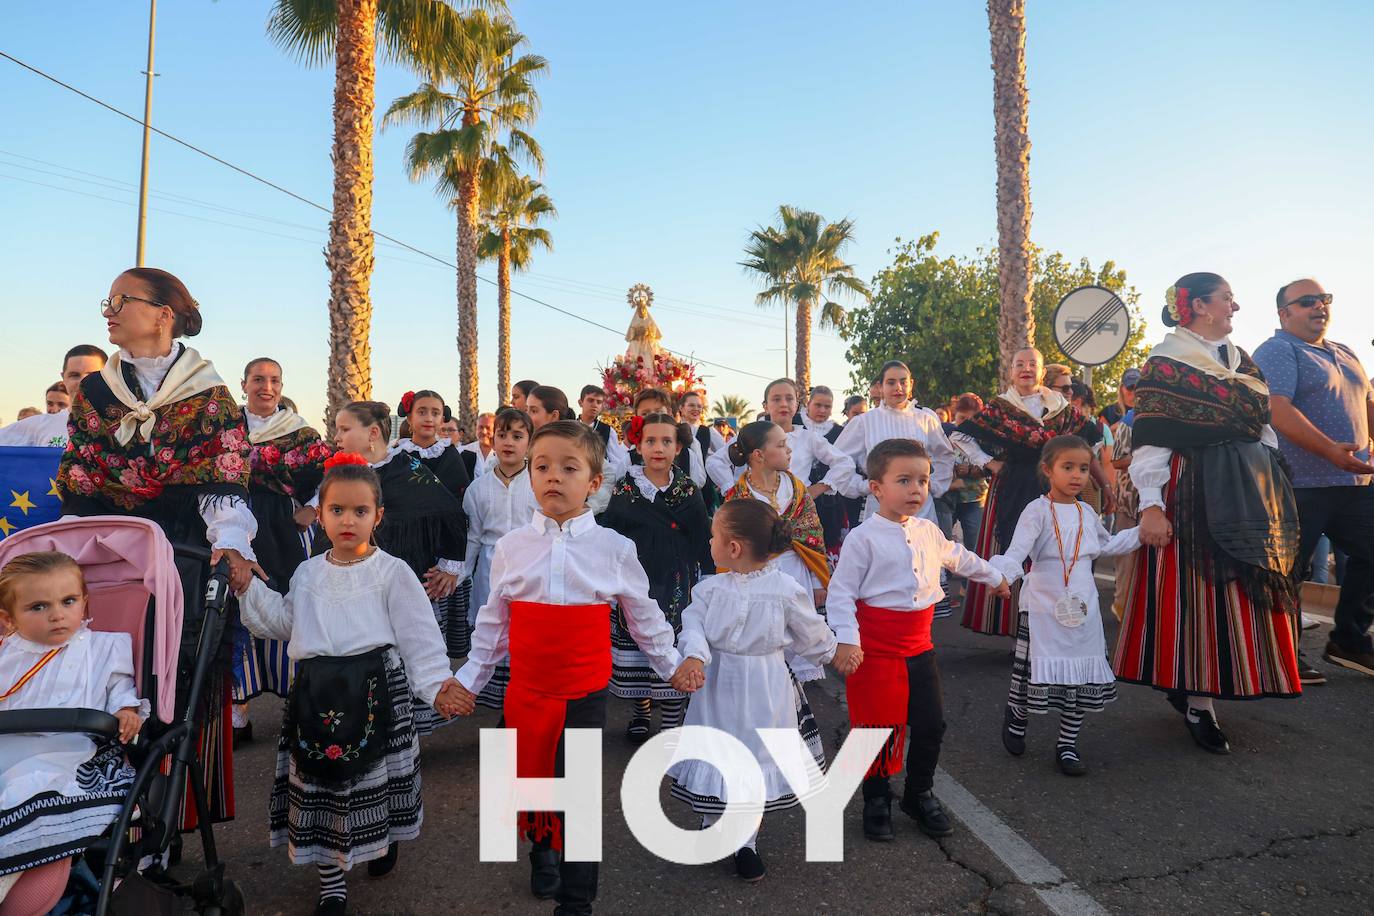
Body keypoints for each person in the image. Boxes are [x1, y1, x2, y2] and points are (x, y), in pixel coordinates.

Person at [451, 421, 688, 915]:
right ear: (531, 477)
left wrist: (672, 664)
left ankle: (577, 901)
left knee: (578, 791)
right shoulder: (513, 548)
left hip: (583, 691)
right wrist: (467, 680)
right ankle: (543, 850)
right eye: (542, 467)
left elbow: (643, 616)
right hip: (528, 687)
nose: (553, 476)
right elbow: (495, 623)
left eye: (568, 467)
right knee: (531, 777)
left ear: (594, 482)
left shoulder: (614, 549)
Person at [57, 267, 258, 828]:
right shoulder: (95, 393)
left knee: (175, 673)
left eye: (121, 300)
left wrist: (234, 545)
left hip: (181, 554)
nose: (108, 311)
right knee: (105, 668)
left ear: (163, 314)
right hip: (110, 554)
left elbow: (224, 480)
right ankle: (90, 811)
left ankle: (166, 818)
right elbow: (78, 482)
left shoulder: (208, 393)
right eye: (109, 300)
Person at [235, 454, 469, 916]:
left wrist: (439, 683)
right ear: (319, 515)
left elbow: (418, 634)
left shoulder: (393, 572)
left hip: (378, 689)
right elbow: (286, 622)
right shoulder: (307, 573)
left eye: (360, 511)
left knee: (372, 785)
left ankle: (381, 842)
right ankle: (332, 884)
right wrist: (248, 589)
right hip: (317, 695)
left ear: (377, 516)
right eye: (337, 510)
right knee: (322, 789)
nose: (348, 520)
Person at [1115, 273, 1303, 755]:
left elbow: (1260, 428)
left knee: (1242, 590)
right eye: (1226, 299)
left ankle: (1211, 683)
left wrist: (1273, 479)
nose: (1235, 306)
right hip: (1193, 488)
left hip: (1249, 489)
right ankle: (1200, 703)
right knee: (1199, 596)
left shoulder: (1242, 363)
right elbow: (1151, 438)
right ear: (1198, 305)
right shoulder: (1166, 363)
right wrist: (1152, 506)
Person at [827, 440, 1008, 842]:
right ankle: (876, 799)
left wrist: (994, 577)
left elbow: (957, 557)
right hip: (874, 651)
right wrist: (847, 640)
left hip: (919, 649)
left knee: (930, 724)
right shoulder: (863, 538)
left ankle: (919, 793)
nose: (916, 489)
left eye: (922, 481)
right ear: (876, 488)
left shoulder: (928, 530)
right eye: (904, 480)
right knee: (875, 728)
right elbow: (841, 594)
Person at [666, 500, 836, 883]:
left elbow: (811, 633)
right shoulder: (709, 589)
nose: (710, 542)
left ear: (734, 548)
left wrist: (832, 650)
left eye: (714, 536)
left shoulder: (785, 590)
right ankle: (713, 825)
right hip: (718, 685)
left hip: (765, 688)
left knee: (754, 759)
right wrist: (693, 656)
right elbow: (692, 624)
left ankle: (746, 842)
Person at [0, 552, 145, 915]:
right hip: (8, 748)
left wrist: (126, 711)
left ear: (84, 602)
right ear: (8, 620)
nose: (56, 614)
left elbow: (120, 688)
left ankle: (17, 879)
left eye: (68, 601)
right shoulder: (7, 654)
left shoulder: (103, 647)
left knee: (33, 794)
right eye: (38, 606)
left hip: (74, 753)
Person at [991, 436, 1140, 776]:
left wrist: (1142, 534)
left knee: (1081, 676)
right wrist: (999, 575)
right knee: (1028, 673)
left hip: (1082, 605)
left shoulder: (1087, 511)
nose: (1077, 475)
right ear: (1048, 470)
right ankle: (1017, 713)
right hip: (1043, 604)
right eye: (1068, 467)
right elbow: (1017, 552)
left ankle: (1067, 744)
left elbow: (1107, 544)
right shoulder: (1037, 510)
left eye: (1084, 469)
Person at [1252, 278, 1374, 679]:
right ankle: (1278, 654)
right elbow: (1277, 409)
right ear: (1284, 313)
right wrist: (1329, 450)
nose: (1319, 306)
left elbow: (1367, 404)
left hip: (1354, 483)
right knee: (1288, 570)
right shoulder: (1278, 349)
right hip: (1299, 484)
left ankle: (1349, 641)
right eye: (1307, 301)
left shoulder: (1345, 351)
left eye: (1324, 299)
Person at [329, 401, 466, 737]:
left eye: (345, 429)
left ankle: (404, 742)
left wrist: (451, 566)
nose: (336, 437)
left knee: (404, 663)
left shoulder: (408, 470)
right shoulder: (343, 476)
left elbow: (452, 512)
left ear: (373, 433)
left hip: (404, 591)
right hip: (354, 594)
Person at [951, 347, 1105, 639]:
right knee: (1014, 549)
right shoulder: (999, 407)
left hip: (1055, 484)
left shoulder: (1058, 405)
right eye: (1019, 364)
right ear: (1010, 372)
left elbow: (1090, 439)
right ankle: (1018, 631)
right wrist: (991, 463)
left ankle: (1057, 624)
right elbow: (960, 435)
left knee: (1058, 549)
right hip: (1014, 482)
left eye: (1032, 363)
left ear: (1042, 371)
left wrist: (1086, 475)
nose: (1026, 368)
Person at [231, 357, 333, 744]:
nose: (266, 387)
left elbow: (326, 474)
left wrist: (311, 508)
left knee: (292, 603)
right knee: (234, 609)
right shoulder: (226, 427)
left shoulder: (300, 432)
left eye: (274, 380)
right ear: (245, 384)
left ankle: (297, 704)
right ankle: (238, 712)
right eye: (258, 379)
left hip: (283, 529)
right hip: (234, 524)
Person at [600, 412, 710, 743]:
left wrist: (708, 578)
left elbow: (702, 537)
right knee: (640, 644)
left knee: (673, 644)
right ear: (638, 445)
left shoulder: (688, 489)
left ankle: (672, 720)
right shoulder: (625, 487)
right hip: (636, 580)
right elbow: (611, 532)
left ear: (678, 448)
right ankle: (641, 711)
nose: (658, 448)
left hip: (676, 579)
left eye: (666, 441)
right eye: (651, 441)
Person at [461, 408, 538, 711]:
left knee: (528, 648)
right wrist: (461, 575)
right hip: (491, 575)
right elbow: (473, 538)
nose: (509, 442)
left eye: (517, 436)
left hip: (533, 573)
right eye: (502, 435)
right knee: (493, 643)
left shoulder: (538, 482)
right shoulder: (478, 488)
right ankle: (504, 718)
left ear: (529, 442)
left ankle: (526, 713)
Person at [392, 390, 473, 657]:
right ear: (410, 417)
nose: (429, 418)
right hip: (401, 546)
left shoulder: (451, 456)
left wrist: (450, 564)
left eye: (435, 413)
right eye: (422, 411)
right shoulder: (396, 456)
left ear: (443, 418)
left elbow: (457, 511)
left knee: (434, 638)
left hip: (439, 550)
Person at [833, 361, 956, 524]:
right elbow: (838, 458)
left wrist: (933, 484)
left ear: (911, 384)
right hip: (880, 508)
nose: (898, 387)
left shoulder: (925, 419)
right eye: (891, 382)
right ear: (880, 387)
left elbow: (945, 455)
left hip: (921, 511)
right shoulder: (864, 422)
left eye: (903, 382)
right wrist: (863, 486)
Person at [707, 379, 861, 509]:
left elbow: (844, 462)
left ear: (797, 405)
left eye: (789, 398)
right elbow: (715, 461)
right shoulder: (751, 434)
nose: (783, 404)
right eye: (776, 399)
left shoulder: (807, 437)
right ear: (765, 406)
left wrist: (818, 488)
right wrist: (731, 489)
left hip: (796, 512)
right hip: (755, 512)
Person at [0, 344, 107, 448]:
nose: (82, 382)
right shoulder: (38, 426)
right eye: (74, 375)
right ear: (63, 378)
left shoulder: (122, 426)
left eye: (91, 375)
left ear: (108, 377)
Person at [942, 394, 990, 606]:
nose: (965, 424)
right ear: (955, 414)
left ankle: (969, 591)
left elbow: (993, 466)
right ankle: (937, 590)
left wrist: (972, 470)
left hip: (975, 497)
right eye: (961, 418)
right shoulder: (944, 433)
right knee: (941, 542)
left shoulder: (985, 437)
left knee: (975, 543)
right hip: (947, 497)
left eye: (970, 420)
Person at [460, 412, 495, 478]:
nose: (484, 432)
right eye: (481, 427)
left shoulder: (502, 454)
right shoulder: (464, 451)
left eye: (488, 428)